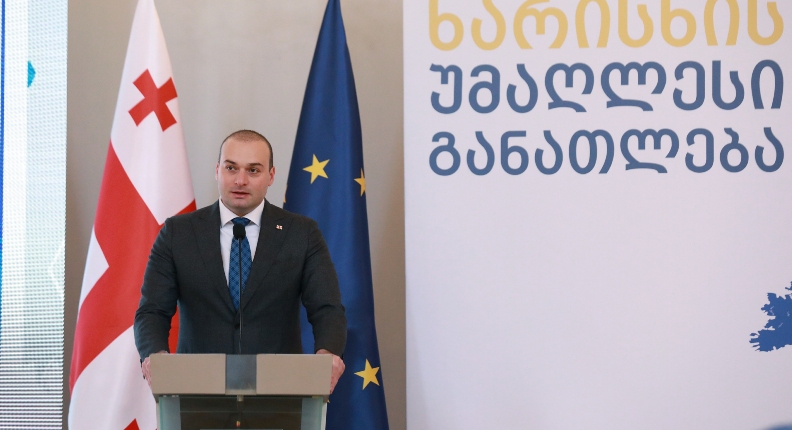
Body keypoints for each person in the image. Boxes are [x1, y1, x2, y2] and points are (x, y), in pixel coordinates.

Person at [133, 130, 346, 392]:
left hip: (279, 391)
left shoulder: (302, 234)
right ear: (217, 171)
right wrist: (154, 356)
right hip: (196, 390)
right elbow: (152, 310)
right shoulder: (178, 233)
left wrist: (328, 353)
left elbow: (327, 308)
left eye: (253, 170)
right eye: (231, 168)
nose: (240, 180)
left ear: (271, 176)